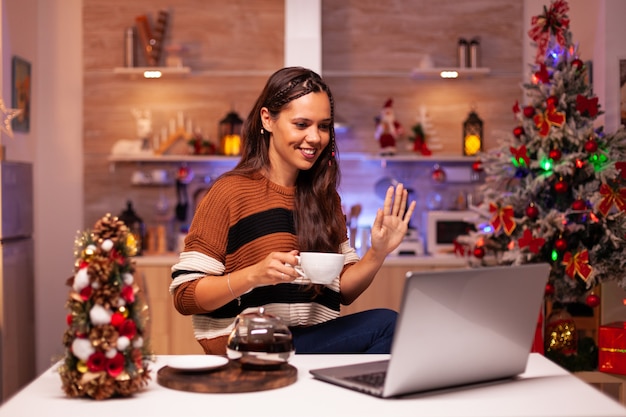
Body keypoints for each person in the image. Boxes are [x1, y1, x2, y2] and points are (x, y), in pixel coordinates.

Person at [170, 67, 416, 355]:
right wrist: (254, 275)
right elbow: (185, 296)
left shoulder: (325, 199)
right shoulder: (229, 192)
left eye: (323, 126)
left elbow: (344, 290)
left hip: (306, 342)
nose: (315, 137)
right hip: (247, 345)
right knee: (388, 325)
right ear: (267, 119)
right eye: (302, 124)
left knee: (395, 330)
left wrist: (378, 252)